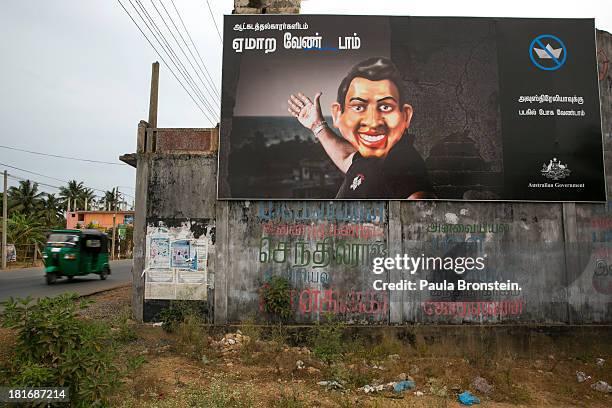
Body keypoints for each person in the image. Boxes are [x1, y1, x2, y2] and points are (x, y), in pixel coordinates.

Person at [288, 57, 435, 199]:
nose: (372, 120)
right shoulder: (371, 157)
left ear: (405, 115)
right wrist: (317, 126)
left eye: (385, 107)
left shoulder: (400, 162)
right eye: (359, 107)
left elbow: (421, 209)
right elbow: (347, 159)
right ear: (338, 114)